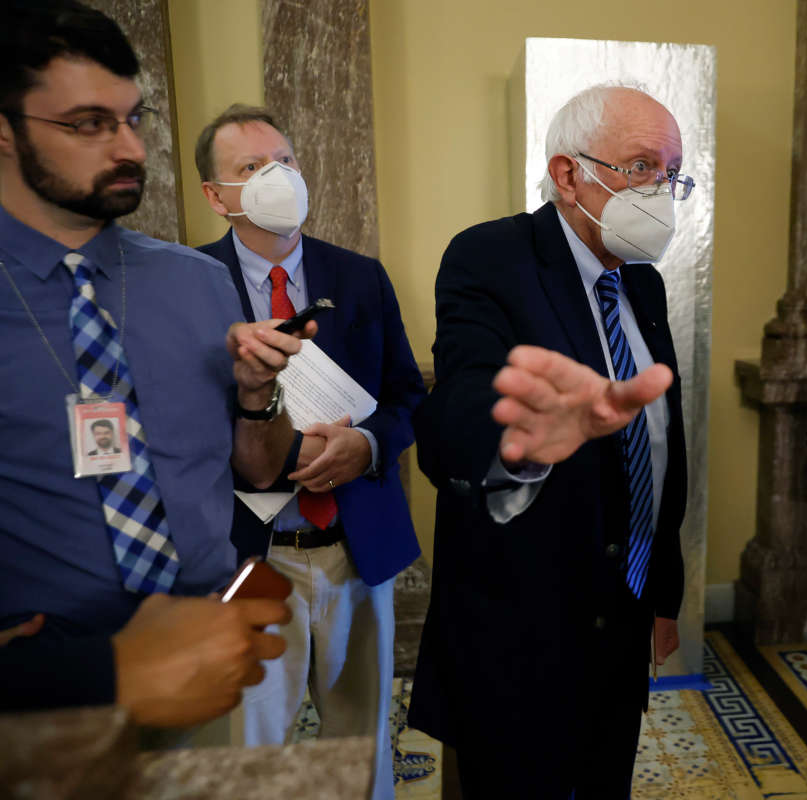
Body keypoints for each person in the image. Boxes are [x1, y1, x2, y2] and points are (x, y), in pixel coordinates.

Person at [0, 0, 299, 726]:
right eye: (89, 124)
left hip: (212, 664)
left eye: (135, 119)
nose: (129, 148)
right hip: (45, 699)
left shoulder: (195, 282)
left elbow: (260, 470)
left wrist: (260, 397)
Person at [408, 85, 693, 798]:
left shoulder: (643, 286)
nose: (662, 190)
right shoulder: (491, 257)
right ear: (569, 174)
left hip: (622, 617)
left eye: (673, 173)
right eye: (642, 167)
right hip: (522, 631)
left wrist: (662, 596)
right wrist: (523, 438)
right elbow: (460, 408)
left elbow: (661, 451)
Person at [194, 103, 425, 799]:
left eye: (286, 162)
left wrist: (369, 443)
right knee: (249, 746)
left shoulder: (359, 277)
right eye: (253, 168)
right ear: (217, 195)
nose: (278, 177)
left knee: (360, 744)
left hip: (355, 541)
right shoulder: (188, 283)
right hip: (251, 551)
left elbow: (408, 396)